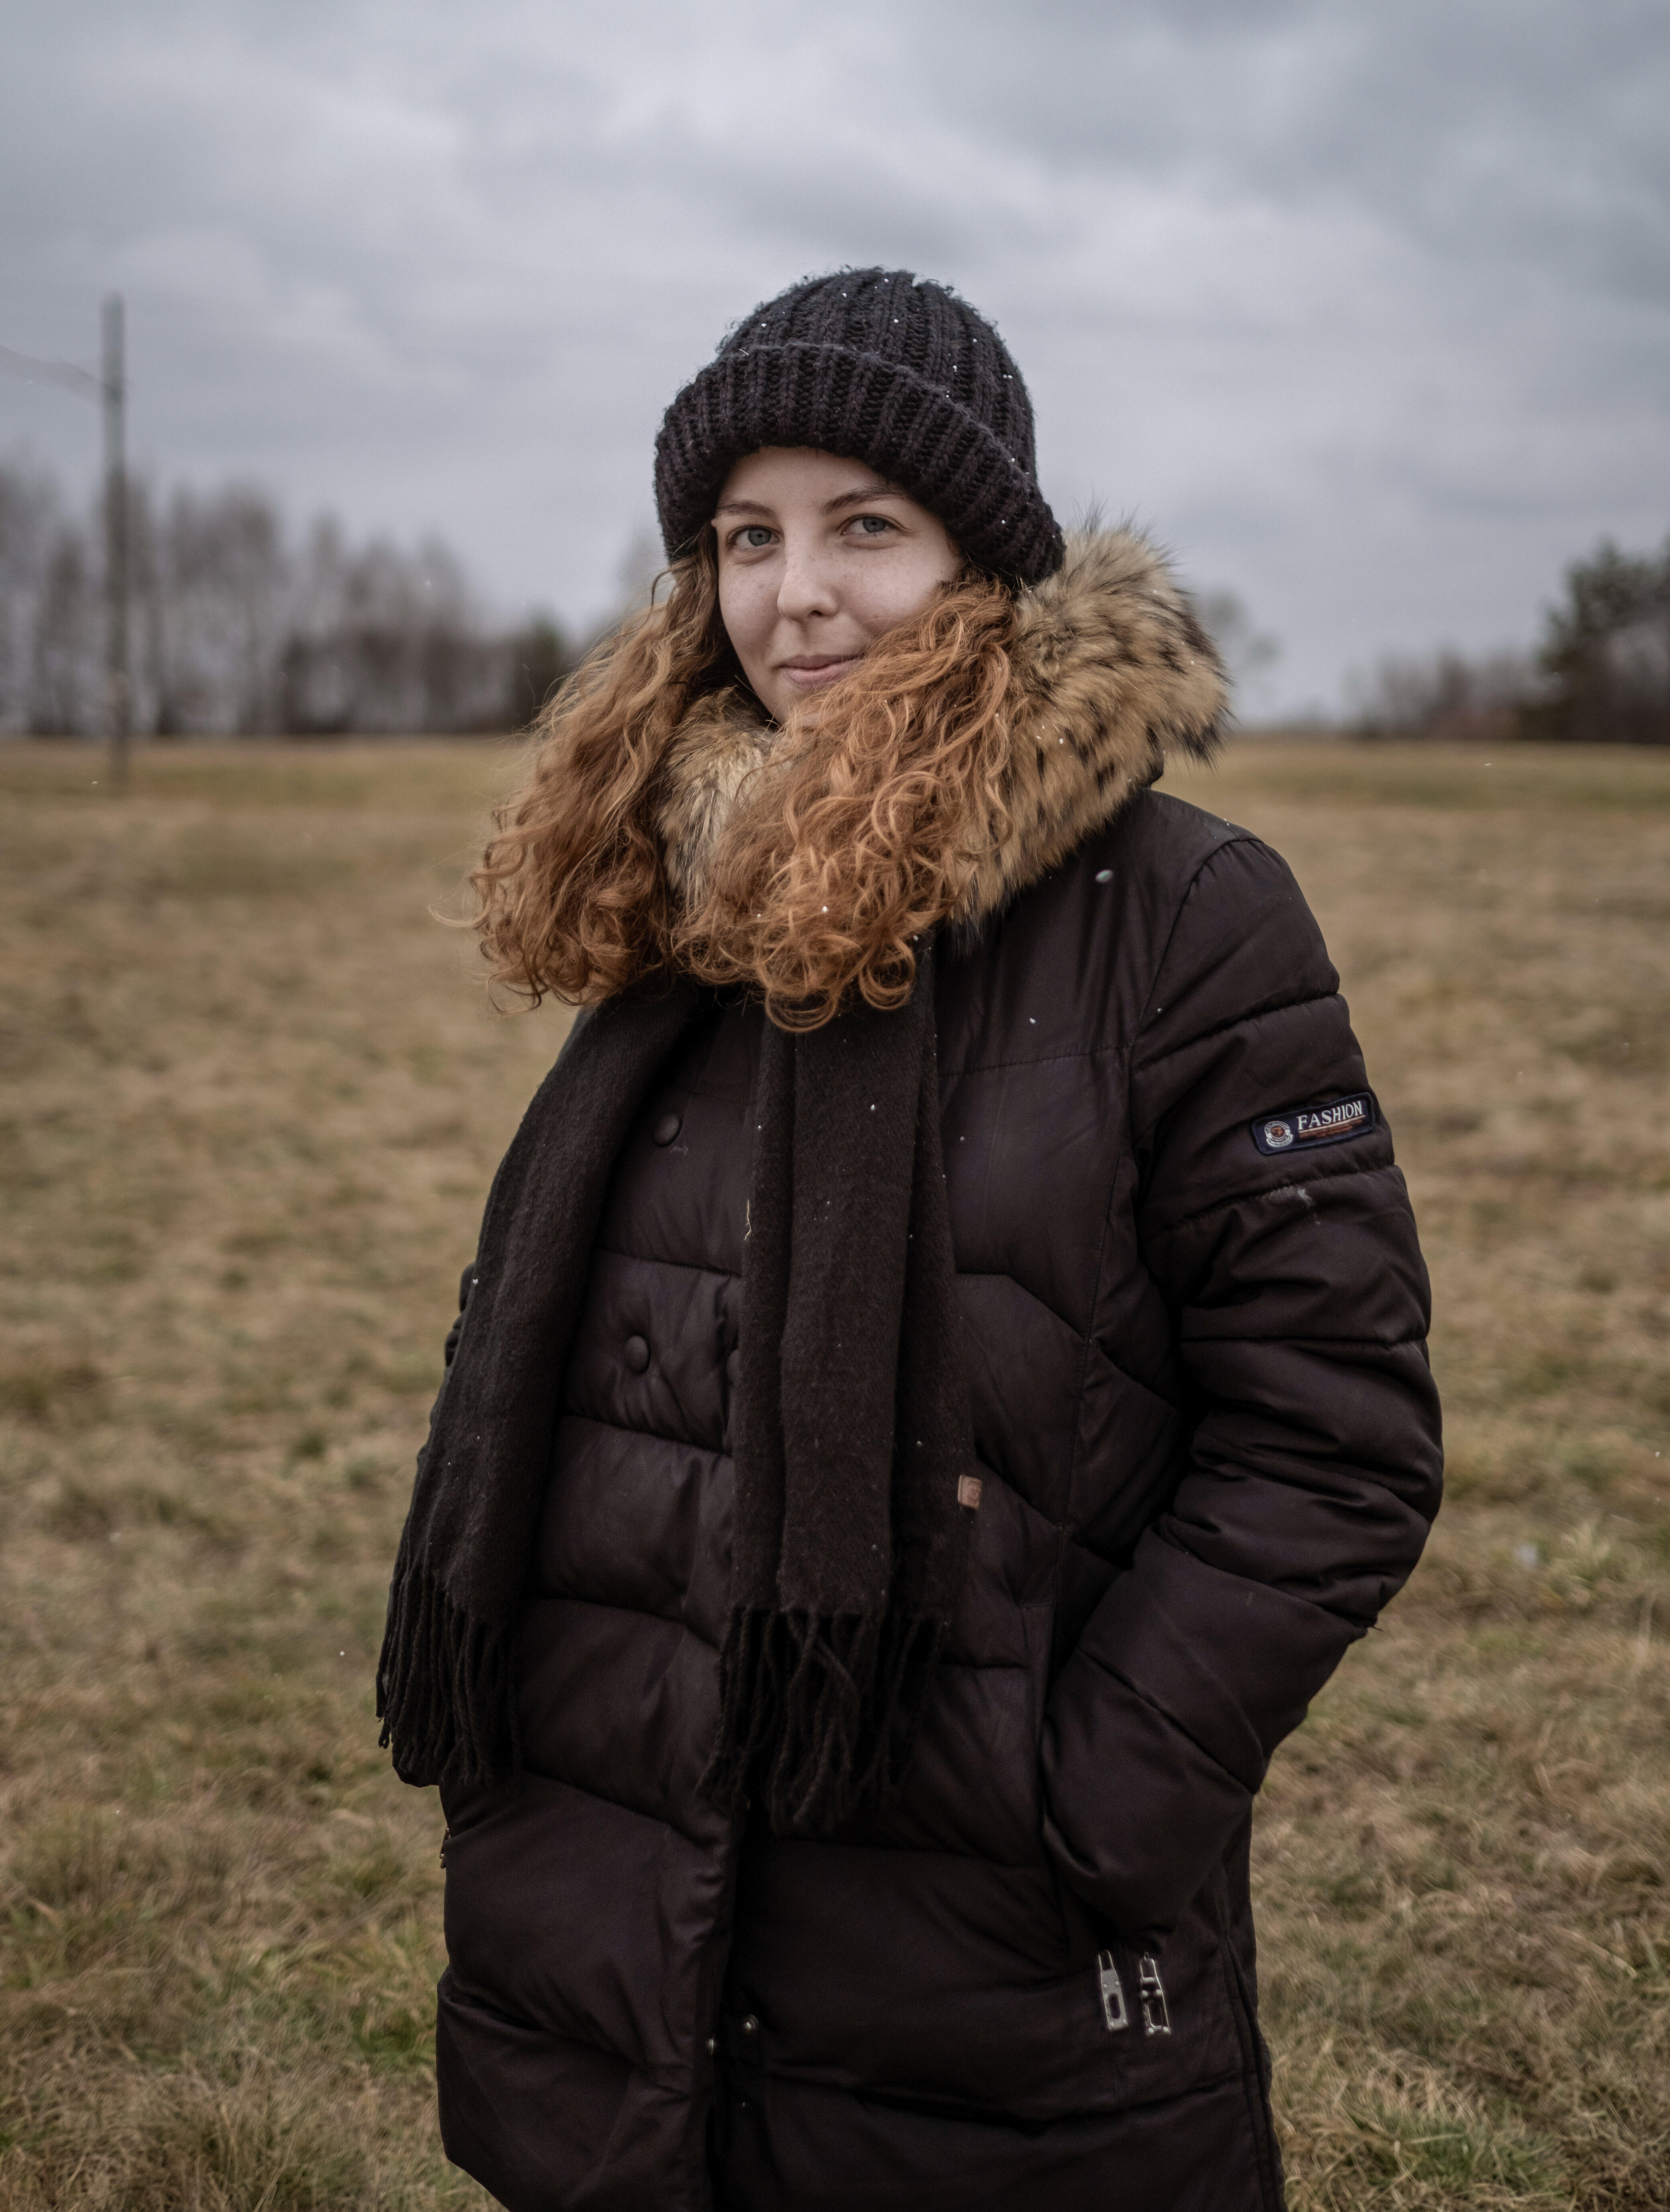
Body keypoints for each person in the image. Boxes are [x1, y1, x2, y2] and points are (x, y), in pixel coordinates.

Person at [378, 269, 1441, 2212]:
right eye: (746, 537)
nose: (798, 595)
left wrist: (1087, 1803)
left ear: (983, 554)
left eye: (865, 525)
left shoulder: (1181, 920)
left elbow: (1332, 1437)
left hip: (993, 1960)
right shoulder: (676, 906)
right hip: (623, 1916)